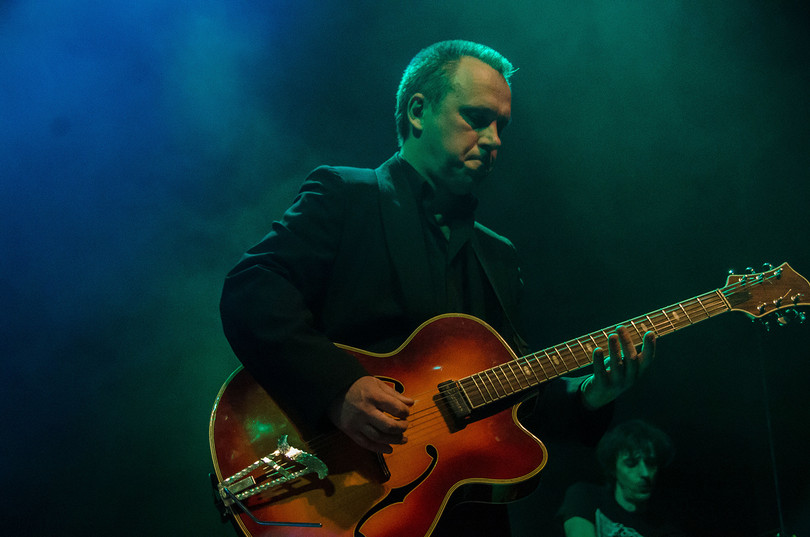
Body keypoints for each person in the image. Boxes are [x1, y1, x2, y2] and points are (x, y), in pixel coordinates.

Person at [219, 39, 656, 536]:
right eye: (477, 118)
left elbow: (510, 397)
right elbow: (251, 292)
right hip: (343, 493)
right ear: (418, 111)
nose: (493, 140)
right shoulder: (347, 197)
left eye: (502, 126)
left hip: (465, 515)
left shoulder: (498, 255)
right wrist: (339, 387)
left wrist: (590, 395)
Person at [557, 419, 685, 537]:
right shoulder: (587, 496)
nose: (645, 473)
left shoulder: (665, 531)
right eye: (631, 464)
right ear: (613, 468)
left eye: (651, 463)